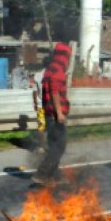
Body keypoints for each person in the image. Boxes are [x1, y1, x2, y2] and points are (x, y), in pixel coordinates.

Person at [34, 43, 72, 185]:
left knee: (54, 145)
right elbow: (55, 92)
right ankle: (42, 173)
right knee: (59, 146)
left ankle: (55, 174)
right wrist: (60, 113)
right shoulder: (58, 71)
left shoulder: (49, 70)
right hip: (55, 116)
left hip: (49, 115)